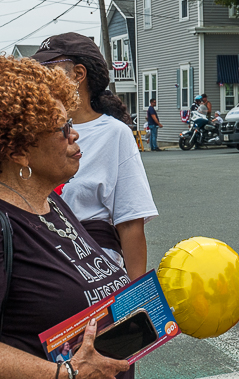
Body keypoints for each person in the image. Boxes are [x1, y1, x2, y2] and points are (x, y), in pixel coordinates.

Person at [0, 55, 131, 378]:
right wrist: (64, 374)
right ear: (19, 150)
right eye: (62, 128)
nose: (75, 136)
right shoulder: (5, 224)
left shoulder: (51, 203)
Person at [31, 32, 158, 281]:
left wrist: (136, 298)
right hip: (40, 265)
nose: (40, 76)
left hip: (98, 271)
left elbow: (131, 221)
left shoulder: (114, 133)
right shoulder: (31, 132)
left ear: (79, 73)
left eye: (48, 66)